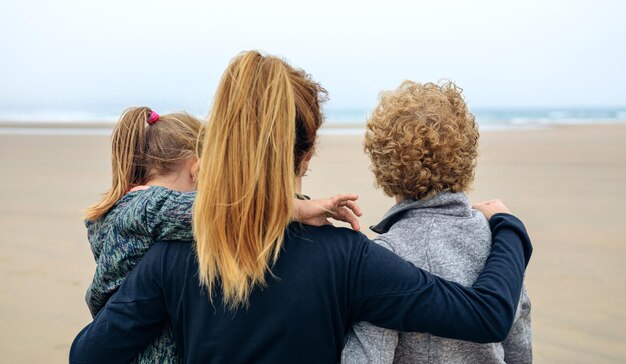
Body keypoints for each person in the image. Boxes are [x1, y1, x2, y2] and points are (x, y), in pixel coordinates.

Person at [70, 51, 532, 364]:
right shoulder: (347, 257)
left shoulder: (169, 259)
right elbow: (486, 314)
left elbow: (86, 355)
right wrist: (507, 228)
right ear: (306, 154)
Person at [84, 107, 363, 363]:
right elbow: (222, 214)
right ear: (196, 170)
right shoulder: (147, 207)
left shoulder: (128, 214)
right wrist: (297, 208)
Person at [341, 81, 532, 364]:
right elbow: (519, 342)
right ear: (465, 156)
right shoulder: (501, 241)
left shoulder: (387, 252)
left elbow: (368, 357)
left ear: (383, 163)